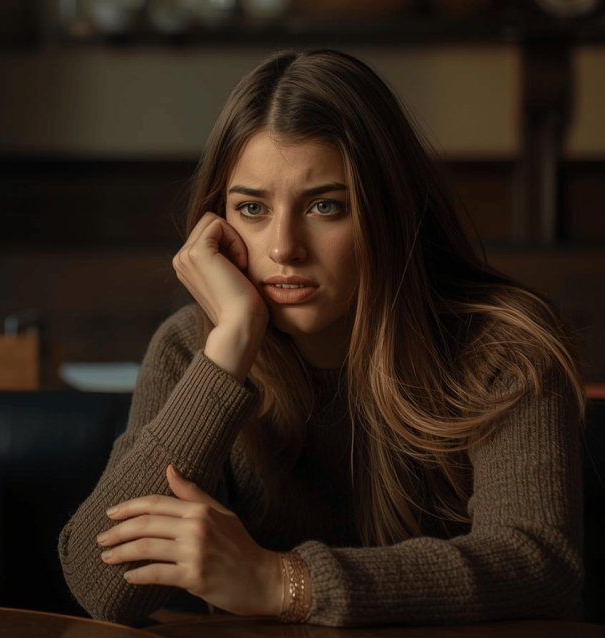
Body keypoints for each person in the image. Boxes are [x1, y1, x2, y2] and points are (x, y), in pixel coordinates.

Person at [58, 49, 585, 627]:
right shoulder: (194, 348)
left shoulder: (504, 346)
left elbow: (540, 568)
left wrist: (281, 581)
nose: (284, 247)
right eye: (252, 208)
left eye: (326, 206)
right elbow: (100, 586)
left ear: (388, 214)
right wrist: (229, 350)